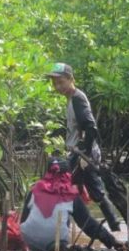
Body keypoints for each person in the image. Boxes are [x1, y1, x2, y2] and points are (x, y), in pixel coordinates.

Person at [46, 62, 121, 232]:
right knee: (90, 192)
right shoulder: (72, 98)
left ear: (71, 79)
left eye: (61, 82)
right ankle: (111, 229)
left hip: (83, 155)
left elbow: (91, 127)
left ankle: (111, 230)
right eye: (54, 83)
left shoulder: (78, 99)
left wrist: (84, 155)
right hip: (78, 153)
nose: (57, 86)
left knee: (64, 189)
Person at [20, 158, 123, 251]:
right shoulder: (71, 195)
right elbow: (89, 225)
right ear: (68, 175)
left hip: (29, 239)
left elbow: (23, 220)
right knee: (65, 217)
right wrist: (112, 241)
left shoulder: (34, 190)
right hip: (56, 243)